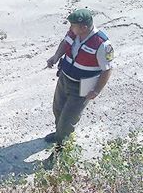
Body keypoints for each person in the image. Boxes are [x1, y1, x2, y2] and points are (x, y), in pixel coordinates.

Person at [44, 8, 114, 149]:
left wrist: (96, 91)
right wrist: (56, 56)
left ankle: (61, 150)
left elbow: (107, 69)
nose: (70, 28)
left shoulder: (102, 44)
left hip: (82, 87)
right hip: (64, 79)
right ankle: (60, 135)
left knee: (68, 120)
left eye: (73, 25)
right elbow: (65, 43)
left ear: (84, 27)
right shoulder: (74, 33)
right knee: (58, 109)